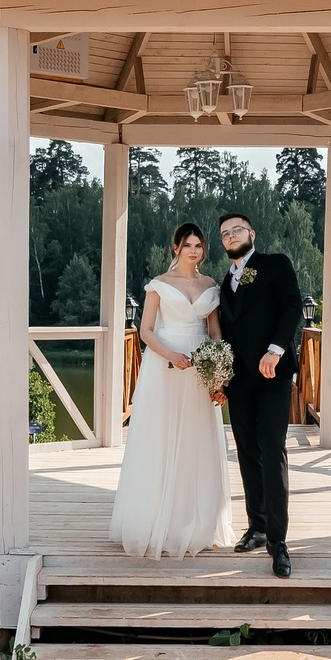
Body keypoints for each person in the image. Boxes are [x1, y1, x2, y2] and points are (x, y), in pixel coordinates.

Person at [107, 222, 234, 558]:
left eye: (199, 245)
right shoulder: (159, 286)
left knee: (196, 439)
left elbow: (215, 330)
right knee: (162, 438)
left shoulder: (210, 285)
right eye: (188, 245)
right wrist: (172, 356)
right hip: (165, 365)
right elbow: (146, 331)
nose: (194, 250)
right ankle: (156, 521)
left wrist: (218, 370)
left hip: (200, 368)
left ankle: (195, 522)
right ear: (176, 247)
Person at [213, 211, 303, 577]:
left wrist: (276, 349)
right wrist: (219, 377)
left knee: (272, 451)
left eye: (237, 230)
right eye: (224, 233)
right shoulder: (224, 282)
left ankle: (279, 544)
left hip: (273, 376)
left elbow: (293, 307)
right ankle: (257, 526)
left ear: (252, 233)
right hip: (240, 382)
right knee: (247, 453)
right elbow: (225, 334)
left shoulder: (275, 264)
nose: (231, 236)